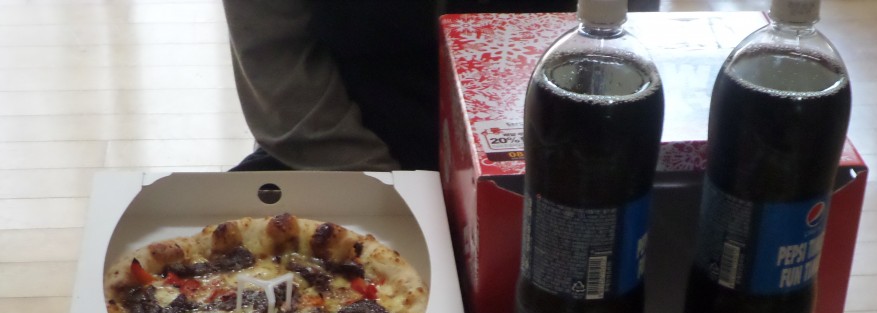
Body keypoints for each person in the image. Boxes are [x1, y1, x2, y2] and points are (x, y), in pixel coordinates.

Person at [221, 0, 616, 173]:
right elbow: (279, 64)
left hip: (546, 149)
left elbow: (618, 35)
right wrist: (388, 190)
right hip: (341, 139)